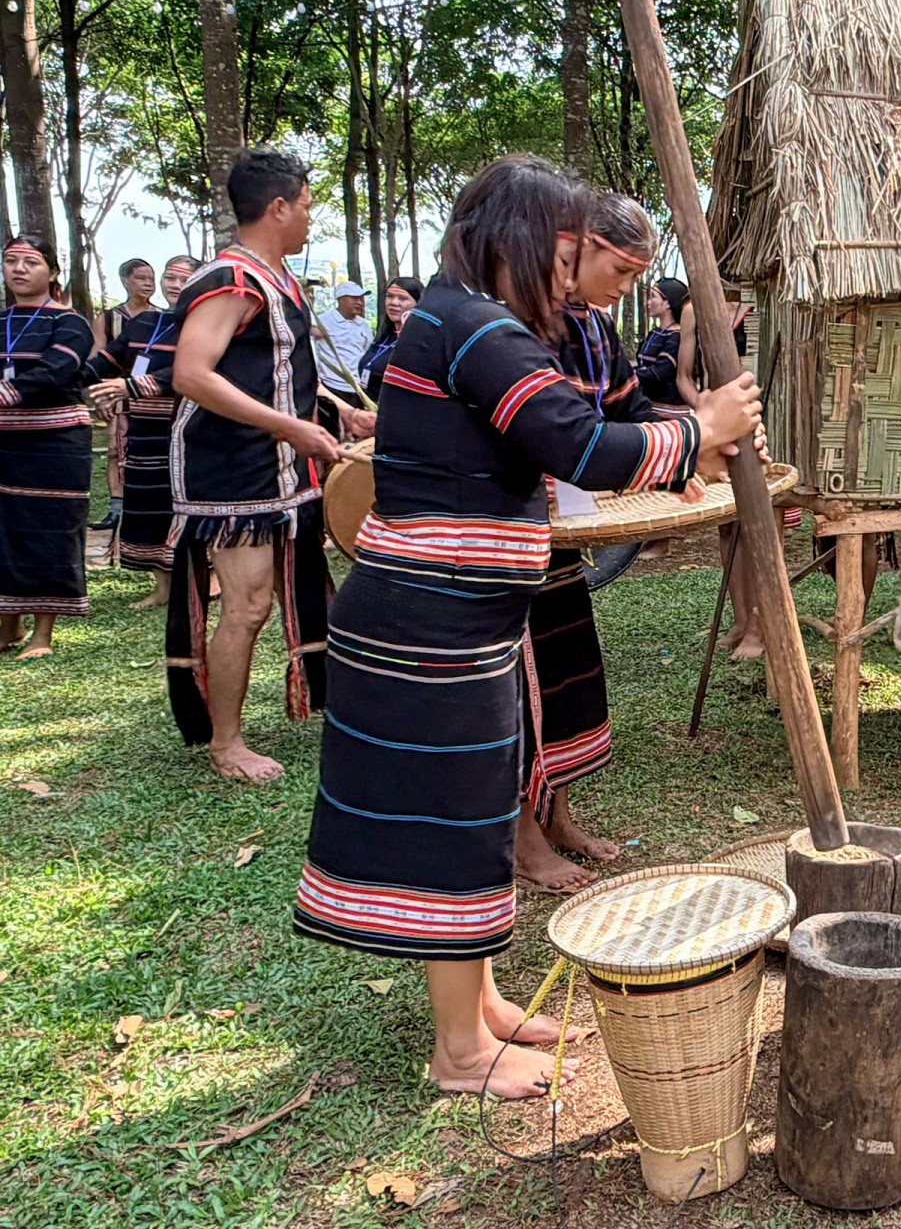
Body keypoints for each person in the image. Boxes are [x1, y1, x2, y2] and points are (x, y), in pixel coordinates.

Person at [292, 154, 761, 1101]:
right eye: (565, 246)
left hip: (449, 615)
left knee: (467, 812)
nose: (568, 268)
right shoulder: (476, 328)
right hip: (431, 620)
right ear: (519, 236)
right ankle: (460, 1051)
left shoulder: (462, 318)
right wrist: (699, 428)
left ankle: (480, 1006)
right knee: (453, 826)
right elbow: (581, 444)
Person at [168, 149, 375, 781]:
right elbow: (191, 375)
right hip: (233, 467)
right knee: (250, 604)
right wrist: (291, 427)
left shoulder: (276, 275)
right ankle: (225, 744)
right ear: (278, 206)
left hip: (279, 461)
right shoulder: (230, 279)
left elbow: (278, 371)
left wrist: (338, 410)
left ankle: (315, 707)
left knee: (291, 591)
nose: (312, 216)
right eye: (308, 204)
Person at [516, 195, 685, 891]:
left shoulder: (594, 326)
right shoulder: (515, 324)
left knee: (566, 675)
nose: (626, 288)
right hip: (509, 530)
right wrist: (687, 446)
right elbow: (563, 436)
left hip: (566, 532)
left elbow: (630, 411)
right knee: (519, 692)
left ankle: (556, 815)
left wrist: (689, 447)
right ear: (577, 247)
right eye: (619, 269)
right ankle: (522, 840)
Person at [0, 235, 95, 658]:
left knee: (49, 529)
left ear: (52, 273)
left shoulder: (68, 322)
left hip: (54, 442)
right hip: (5, 441)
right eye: (11, 262)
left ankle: (42, 635)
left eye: (31, 263)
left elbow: (58, 370)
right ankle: (8, 626)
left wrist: (9, 393)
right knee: (4, 529)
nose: (19, 270)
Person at [86, 256, 198, 609]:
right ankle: (162, 586)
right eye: (170, 277)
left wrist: (131, 386)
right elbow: (108, 360)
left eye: (184, 278)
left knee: (185, 503)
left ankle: (198, 583)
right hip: (144, 429)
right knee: (149, 502)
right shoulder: (145, 321)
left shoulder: (203, 324)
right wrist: (83, 380)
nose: (174, 285)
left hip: (186, 428)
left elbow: (189, 371)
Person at [92, 257, 160, 530]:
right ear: (126, 280)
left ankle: (149, 506)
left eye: (151, 278)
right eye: (141, 278)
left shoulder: (161, 317)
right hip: (118, 392)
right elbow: (97, 356)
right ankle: (116, 508)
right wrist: (102, 394)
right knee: (114, 450)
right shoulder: (109, 318)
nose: (148, 284)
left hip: (153, 394)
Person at [358, 276, 425, 400]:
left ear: (418, 303)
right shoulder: (384, 337)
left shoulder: (420, 343)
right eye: (390, 296)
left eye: (402, 298)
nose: (394, 303)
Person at [636, 277, 690, 406]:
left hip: (666, 409)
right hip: (649, 404)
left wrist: (626, 376)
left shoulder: (675, 338)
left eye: (653, 297)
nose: (648, 303)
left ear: (668, 303)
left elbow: (658, 373)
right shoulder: (654, 334)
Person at [316, 282, 374, 397]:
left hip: (357, 387)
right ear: (340, 299)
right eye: (354, 298)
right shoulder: (322, 322)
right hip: (330, 385)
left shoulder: (364, 325)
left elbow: (368, 352)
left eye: (361, 298)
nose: (360, 303)